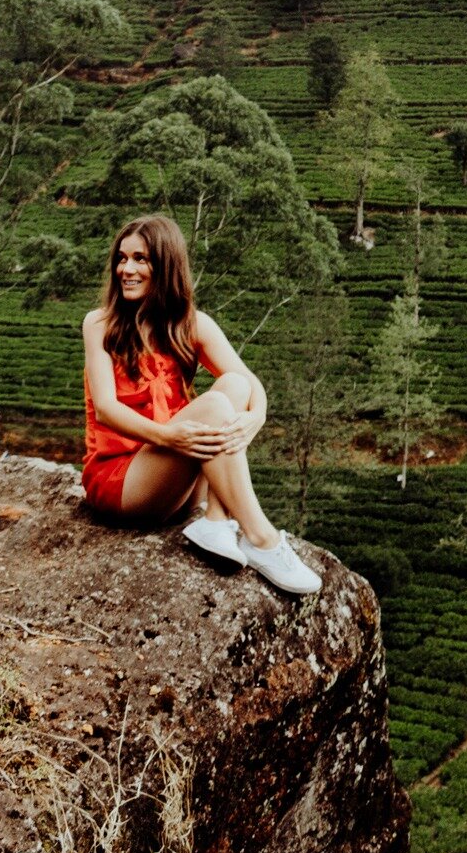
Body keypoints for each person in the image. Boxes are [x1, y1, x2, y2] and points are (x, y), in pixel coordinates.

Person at [81, 212, 321, 594]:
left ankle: (216, 518)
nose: (126, 269)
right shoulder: (100, 324)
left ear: (166, 264)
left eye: (140, 259)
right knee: (214, 408)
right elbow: (108, 409)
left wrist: (255, 418)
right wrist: (169, 437)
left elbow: (250, 384)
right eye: (122, 259)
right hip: (122, 480)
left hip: (174, 477)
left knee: (235, 387)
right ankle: (262, 539)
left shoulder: (192, 325)